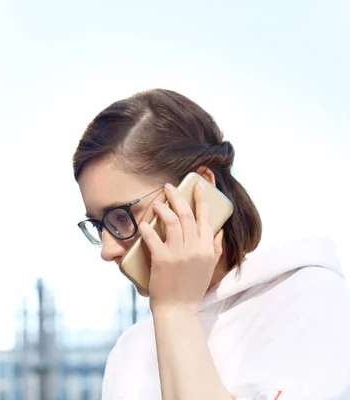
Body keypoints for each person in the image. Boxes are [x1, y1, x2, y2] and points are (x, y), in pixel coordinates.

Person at [72, 88, 350, 400]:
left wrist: (175, 312)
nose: (107, 250)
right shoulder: (130, 351)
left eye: (121, 216)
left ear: (198, 191)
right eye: (99, 224)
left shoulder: (310, 301)